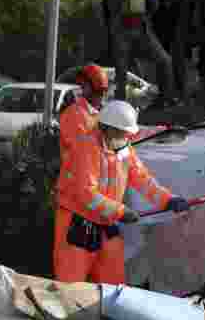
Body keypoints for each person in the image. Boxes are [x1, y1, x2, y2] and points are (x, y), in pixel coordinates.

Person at [53, 100, 189, 284]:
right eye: (122, 133)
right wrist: (121, 211)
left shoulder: (123, 148)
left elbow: (142, 178)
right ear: (107, 128)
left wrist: (168, 200)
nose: (125, 137)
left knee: (114, 284)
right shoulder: (85, 148)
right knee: (71, 283)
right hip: (76, 224)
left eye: (127, 134)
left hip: (105, 223)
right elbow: (86, 193)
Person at [103, 0, 176, 107]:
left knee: (165, 60)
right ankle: (119, 103)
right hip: (121, 28)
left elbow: (155, 5)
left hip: (142, 28)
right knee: (121, 68)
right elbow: (111, 3)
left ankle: (165, 99)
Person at [58, 64, 108, 167]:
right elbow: (82, 147)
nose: (101, 97)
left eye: (103, 92)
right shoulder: (73, 114)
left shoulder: (102, 112)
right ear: (85, 87)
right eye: (98, 92)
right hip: (78, 174)